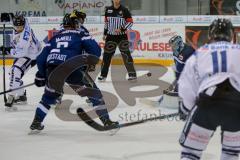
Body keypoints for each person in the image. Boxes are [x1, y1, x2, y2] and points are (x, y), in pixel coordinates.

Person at [29, 14, 119, 134]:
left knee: (48, 98)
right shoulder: (80, 34)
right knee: (94, 94)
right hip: (71, 69)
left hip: (52, 70)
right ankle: (106, 121)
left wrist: (42, 75)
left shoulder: (54, 38)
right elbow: (96, 51)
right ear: (75, 24)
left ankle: (36, 122)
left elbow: (41, 59)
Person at [178, 18, 240, 160]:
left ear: (210, 35)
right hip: (236, 108)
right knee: (230, 154)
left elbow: (188, 87)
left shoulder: (199, 53)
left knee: (190, 154)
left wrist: (185, 109)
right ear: (231, 35)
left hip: (208, 104)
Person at [5, 14, 42, 109]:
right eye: (17, 26)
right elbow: (19, 19)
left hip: (31, 56)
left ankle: (11, 96)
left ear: (24, 25)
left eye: (21, 26)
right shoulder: (24, 21)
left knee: (15, 71)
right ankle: (21, 96)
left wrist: (8, 50)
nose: (19, 28)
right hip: (28, 52)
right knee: (13, 75)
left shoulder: (25, 37)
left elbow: (21, 53)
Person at [98, 0, 137, 82]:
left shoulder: (124, 10)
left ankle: (132, 75)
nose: (116, 0)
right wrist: (105, 34)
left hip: (122, 36)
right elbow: (106, 23)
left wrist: (121, 29)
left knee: (126, 55)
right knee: (106, 56)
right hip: (110, 37)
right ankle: (103, 75)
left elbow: (130, 22)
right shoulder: (108, 10)